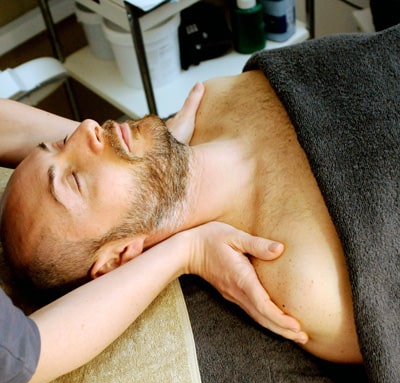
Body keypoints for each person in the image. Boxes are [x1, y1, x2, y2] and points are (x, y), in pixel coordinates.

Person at [1, 68, 361, 362]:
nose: (86, 128)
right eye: (74, 181)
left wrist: (155, 158)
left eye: (62, 141)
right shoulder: (307, 281)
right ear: (118, 257)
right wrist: (188, 249)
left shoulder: (217, 96)